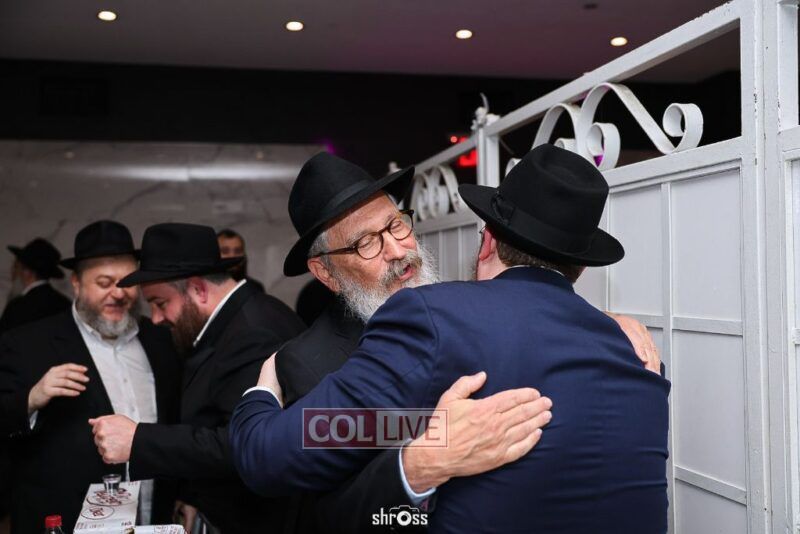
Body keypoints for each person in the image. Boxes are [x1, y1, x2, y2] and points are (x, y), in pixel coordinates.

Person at [230, 145, 671, 533]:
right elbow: (331, 521)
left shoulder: (440, 314)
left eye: (397, 225)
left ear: (487, 242)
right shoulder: (308, 362)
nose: (398, 250)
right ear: (325, 272)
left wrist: (599, 320)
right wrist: (421, 464)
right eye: (365, 243)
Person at [89, 223, 306, 533]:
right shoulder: (232, 321)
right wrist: (193, 495)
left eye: (160, 303)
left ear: (199, 290)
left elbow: (243, 444)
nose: (156, 319)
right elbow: (210, 418)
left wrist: (139, 440)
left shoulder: (253, 333)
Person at [0, 220, 182, 534]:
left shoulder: (161, 340)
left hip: (154, 517)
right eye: (104, 282)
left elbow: (180, 424)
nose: (118, 293)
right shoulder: (28, 343)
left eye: (128, 282)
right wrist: (31, 399)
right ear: (76, 283)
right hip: (67, 520)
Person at [0, 238, 70, 333]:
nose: (12, 273)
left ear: (27, 272)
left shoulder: (17, 307)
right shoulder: (65, 304)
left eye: (16, 267)